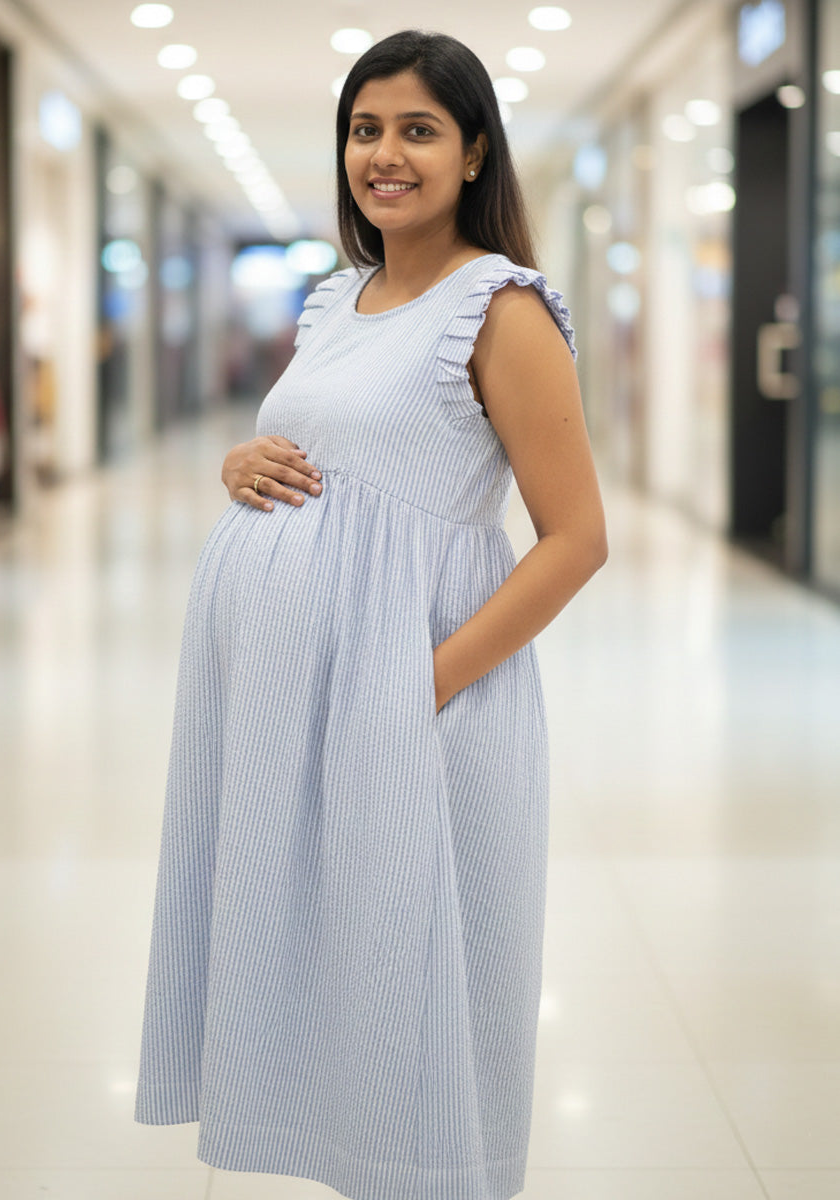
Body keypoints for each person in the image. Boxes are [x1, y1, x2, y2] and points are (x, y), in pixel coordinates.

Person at [134, 28, 607, 1200]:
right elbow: (327, 448)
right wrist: (242, 464)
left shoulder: (502, 311)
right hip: (289, 712)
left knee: (416, 989)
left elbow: (579, 539)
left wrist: (420, 680)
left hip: (408, 705)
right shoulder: (338, 298)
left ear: (474, 150)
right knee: (318, 981)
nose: (384, 155)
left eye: (417, 130)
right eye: (364, 129)